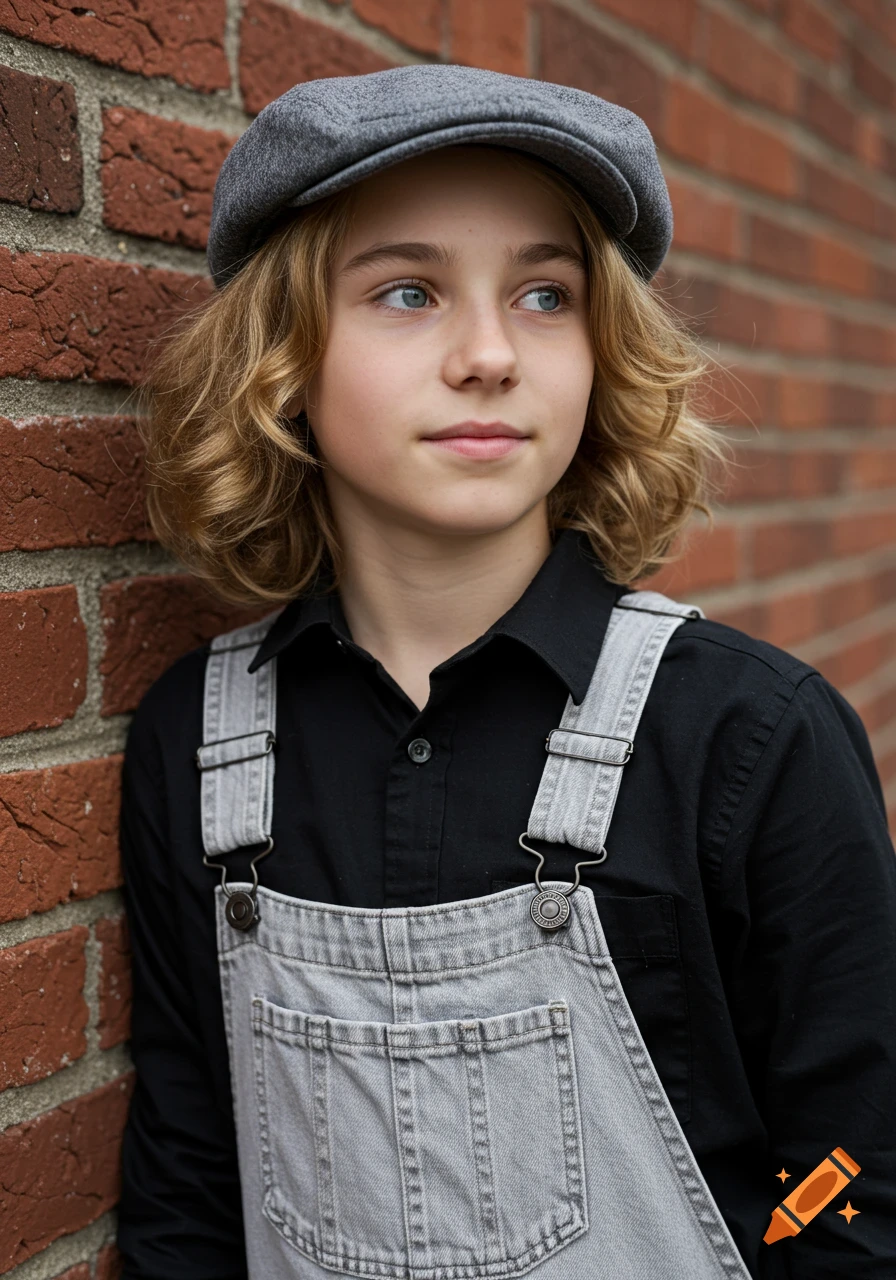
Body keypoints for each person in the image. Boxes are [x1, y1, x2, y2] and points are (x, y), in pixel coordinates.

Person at [116, 64, 896, 1280]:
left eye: (544, 294)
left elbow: (853, 1181)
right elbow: (188, 1190)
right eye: (408, 291)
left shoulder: (750, 736)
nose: (488, 354)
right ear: (282, 357)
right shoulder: (199, 744)